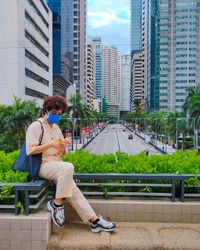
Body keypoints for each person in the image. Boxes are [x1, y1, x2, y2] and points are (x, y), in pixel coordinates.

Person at [26, 96, 116, 233]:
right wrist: (49, 144)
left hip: (57, 165)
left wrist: (63, 146)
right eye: (54, 113)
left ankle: (94, 221)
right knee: (68, 167)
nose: (57, 116)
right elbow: (30, 150)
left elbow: (63, 153)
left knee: (74, 191)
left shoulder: (56, 128)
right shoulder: (35, 126)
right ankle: (57, 205)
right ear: (46, 111)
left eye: (59, 114)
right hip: (43, 165)